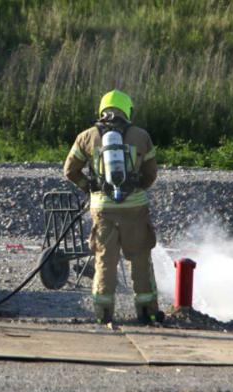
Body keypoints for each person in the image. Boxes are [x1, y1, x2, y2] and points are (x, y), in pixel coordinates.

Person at [63, 89, 163, 326]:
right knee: (140, 258)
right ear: (127, 109)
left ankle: (103, 314)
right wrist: (137, 189)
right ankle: (147, 312)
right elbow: (151, 174)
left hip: (102, 208)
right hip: (135, 209)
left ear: (102, 109)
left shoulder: (86, 137)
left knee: (104, 259)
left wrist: (88, 187)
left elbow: (69, 170)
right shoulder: (141, 136)